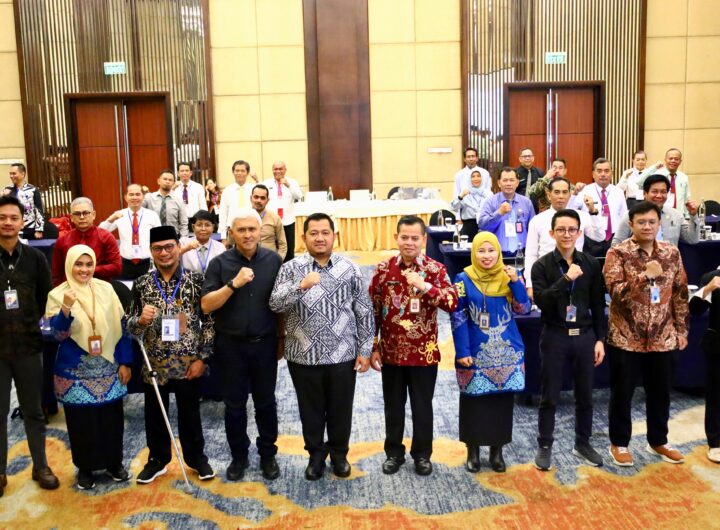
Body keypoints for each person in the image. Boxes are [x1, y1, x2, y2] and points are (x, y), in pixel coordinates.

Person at [269, 213, 374, 480]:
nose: (320, 238)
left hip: (342, 354)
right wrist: (300, 287)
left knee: (341, 409)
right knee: (310, 410)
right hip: (303, 355)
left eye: (325, 233)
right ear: (303, 237)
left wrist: (364, 350)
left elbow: (364, 311)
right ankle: (315, 455)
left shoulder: (349, 268)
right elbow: (275, 304)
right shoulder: (291, 268)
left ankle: (339, 455)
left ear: (334, 236)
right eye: (313, 233)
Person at [369, 216, 458, 476]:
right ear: (396, 238)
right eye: (404, 237)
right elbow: (373, 311)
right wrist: (373, 346)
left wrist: (426, 287)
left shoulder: (435, 269)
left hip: (423, 353)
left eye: (415, 238)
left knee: (422, 407)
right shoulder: (383, 269)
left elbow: (452, 303)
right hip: (392, 352)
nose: (409, 242)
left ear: (424, 239)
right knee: (393, 406)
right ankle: (393, 453)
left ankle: (422, 455)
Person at [127, 226, 215, 484]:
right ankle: (157, 460)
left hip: (188, 363)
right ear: (151, 251)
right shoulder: (142, 284)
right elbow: (129, 324)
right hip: (154, 364)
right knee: (155, 415)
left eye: (169, 247)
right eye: (158, 248)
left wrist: (203, 358)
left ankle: (197, 458)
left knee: (190, 413)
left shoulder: (196, 281)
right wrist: (140, 321)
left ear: (178, 247)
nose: (164, 253)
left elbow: (210, 323)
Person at [603, 201, 689, 466]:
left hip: (663, 336)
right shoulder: (618, 253)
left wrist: (682, 329)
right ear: (631, 224)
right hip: (626, 336)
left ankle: (658, 441)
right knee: (622, 394)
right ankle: (619, 443)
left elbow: (680, 292)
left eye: (652, 222)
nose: (647, 226)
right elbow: (615, 293)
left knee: (660, 393)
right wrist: (644, 276)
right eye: (641, 222)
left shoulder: (671, 253)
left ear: (659, 223)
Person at [201, 209, 283, 482]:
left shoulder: (274, 261)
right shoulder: (219, 264)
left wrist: (281, 339)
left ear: (260, 232)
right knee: (234, 405)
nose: (247, 235)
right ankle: (239, 456)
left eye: (252, 229)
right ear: (231, 234)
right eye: (241, 230)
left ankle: (268, 454)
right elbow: (206, 305)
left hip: (265, 344)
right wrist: (233, 285)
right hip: (230, 347)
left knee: (266, 403)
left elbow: (281, 306)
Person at [45, 245, 133, 490]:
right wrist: (65, 308)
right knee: (81, 422)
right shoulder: (57, 294)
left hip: (109, 367)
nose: (84, 269)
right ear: (69, 265)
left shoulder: (107, 289)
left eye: (88, 264)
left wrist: (125, 361)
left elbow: (121, 327)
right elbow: (57, 335)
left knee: (112, 419)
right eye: (78, 264)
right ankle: (85, 468)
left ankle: (114, 463)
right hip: (75, 371)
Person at [530, 209, 607, 470]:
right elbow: (542, 301)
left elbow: (598, 304)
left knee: (585, 395)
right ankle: (545, 445)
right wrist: (566, 279)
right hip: (555, 335)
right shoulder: (542, 266)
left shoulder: (591, 263)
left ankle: (582, 443)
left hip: (584, 336)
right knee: (550, 395)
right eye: (561, 230)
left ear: (579, 232)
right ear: (552, 233)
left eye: (572, 229)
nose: (566, 234)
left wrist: (600, 339)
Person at [450, 232, 530, 473]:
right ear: (474, 253)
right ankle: (472, 451)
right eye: (481, 251)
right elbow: (457, 316)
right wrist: (462, 350)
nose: (486, 256)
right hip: (475, 350)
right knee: (473, 402)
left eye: (491, 250)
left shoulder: (509, 276)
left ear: (499, 252)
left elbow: (523, 308)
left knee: (501, 404)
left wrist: (516, 282)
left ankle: (497, 451)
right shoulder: (462, 279)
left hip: (507, 350)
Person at [0, 195, 59, 495]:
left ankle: (40, 465)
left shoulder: (35, 258)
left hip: (28, 346)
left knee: (34, 410)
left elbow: (45, 298)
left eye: (13, 218)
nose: (8, 223)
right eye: (2, 218)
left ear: (22, 222)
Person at [524, 177, 605, 298]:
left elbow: (599, 237)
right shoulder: (537, 220)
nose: (561, 196)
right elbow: (531, 254)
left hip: (575, 270)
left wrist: (593, 212)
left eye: (564, 192)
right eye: (556, 192)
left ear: (570, 194)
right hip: (547, 272)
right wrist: (530, 284)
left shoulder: (581, 216)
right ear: (548, 194)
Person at [611, 175, 700, 247]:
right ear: (645, 193)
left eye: (663, 192)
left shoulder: (676, 215)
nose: (659, 196)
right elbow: (616, 244)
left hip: (668, 262)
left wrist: (693, 215)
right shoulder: (631, 214)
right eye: (654, 191)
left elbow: (692, 239)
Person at [51, 197, 121, 286]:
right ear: (71, 217)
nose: (82, 217)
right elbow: (57, 273)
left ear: (93, 215)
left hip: (99, 286)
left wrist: (90, 270)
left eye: (86, 213)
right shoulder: (62, 240)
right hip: (70, 288)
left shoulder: (106, 237)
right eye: (77, 214)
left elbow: (116, 267)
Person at [689, 267, 720, 463]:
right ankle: (715, 443)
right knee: (716, 396)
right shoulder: (712, 277)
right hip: (717, 344)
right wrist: (708, 289)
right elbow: (695, 309)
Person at [99, 184, 161, 280]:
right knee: (124, 288)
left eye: (138, 194)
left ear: (143, 197)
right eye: (131, 194)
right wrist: (111, 219)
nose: (134, 197)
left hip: (147, 263)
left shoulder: (152, 215)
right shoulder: (119, 214)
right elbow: (100, 232)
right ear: (125, 197)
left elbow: (159, 238)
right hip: (125, 263)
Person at [477, 167, 535, 256]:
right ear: (499, 183)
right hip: (498, 253)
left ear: (517, 183)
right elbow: (482, 226)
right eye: (505, 180)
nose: (508, 183)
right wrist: (498, 213)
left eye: (512, 180)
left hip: (522, 253)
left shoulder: (526, 203)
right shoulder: (490, 202)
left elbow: (533, 229)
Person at [577, 158, 628, 257]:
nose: (603, 174)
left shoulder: (619, 192)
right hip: (591, 239)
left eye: (606, 171)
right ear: (593, 174)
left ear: (612, 173)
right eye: (599, 171)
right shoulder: (584, 191)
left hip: (613, 238)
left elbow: (624, 216)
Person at [262, 161, 303, 262]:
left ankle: (289, 269)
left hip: (288, 221)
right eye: (275, 169)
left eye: (280, 169)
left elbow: (299, 196)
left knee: (289, 250)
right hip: (272, 222)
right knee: (272, 249)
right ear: (272, 170)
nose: (278, 171)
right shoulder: (266, 183)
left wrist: (288, 185)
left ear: (285, 170)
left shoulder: (292, 182)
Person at [637, 148, 691, 217]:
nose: (673, 161)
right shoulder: (657, 174)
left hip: (679, 215)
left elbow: (686, 199)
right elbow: (639, 182)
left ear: (680, 161)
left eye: (676, 159)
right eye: (670, 158)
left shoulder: (684, 177)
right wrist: (654, 167)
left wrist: (687, 216)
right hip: (660, 214)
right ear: (665, 160)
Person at [218, 160, 258, 243]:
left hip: (250, 228)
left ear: (247, 173)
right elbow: (223, 213)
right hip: (232, 229)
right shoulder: (227, 190)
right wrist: (223, 236)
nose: (239, 173)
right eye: (237, 170)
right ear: (233, 172)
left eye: (242, 171)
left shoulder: (254, 189)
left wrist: (258, 181)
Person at [2, 163, 44, 240]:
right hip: (12, 228)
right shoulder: (7, 190)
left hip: (30, 228)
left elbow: (39, 210)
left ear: (23, 174)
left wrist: (39, 229)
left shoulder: (33, 190)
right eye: (10, 174)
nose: (11, 176)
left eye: (14, 173)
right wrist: (2, 196)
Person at [143, 170, 189, 237]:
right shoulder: (149, 198)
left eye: (170, 180)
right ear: (159, 181)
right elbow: (138, 211)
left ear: (173, 183)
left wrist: (183, 239)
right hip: (153, 236)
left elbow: (184, 222)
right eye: (165, 179)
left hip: (172, 236)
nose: (167, 181)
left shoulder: (179, 200)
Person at [179, 210, 226, 275]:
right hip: (188, 280)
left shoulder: (220, 247)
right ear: (193, 227)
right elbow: (172, 256)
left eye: (207, 225)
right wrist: (187, 248)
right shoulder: (184, 242)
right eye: (199, 225)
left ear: (213, 227)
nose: (203, 229)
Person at [450, 169, 493, 237]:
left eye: (478, 176)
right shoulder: (465, 193)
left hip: (485, 227)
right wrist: (461, 196)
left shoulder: (488, 194)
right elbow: (453, 207)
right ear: (469, 179)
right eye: (473, 176)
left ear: (482, 178)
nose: (476, 178)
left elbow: (493, 210)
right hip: (468, 227)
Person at [251, 184, 287, 259]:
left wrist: (277, 261)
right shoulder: (243, 217)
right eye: (256, 197)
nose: (259, 200)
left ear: (267, 200)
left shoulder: (275, 218)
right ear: (251, 198)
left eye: (262, 198)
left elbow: (283, 245)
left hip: (269, 259)